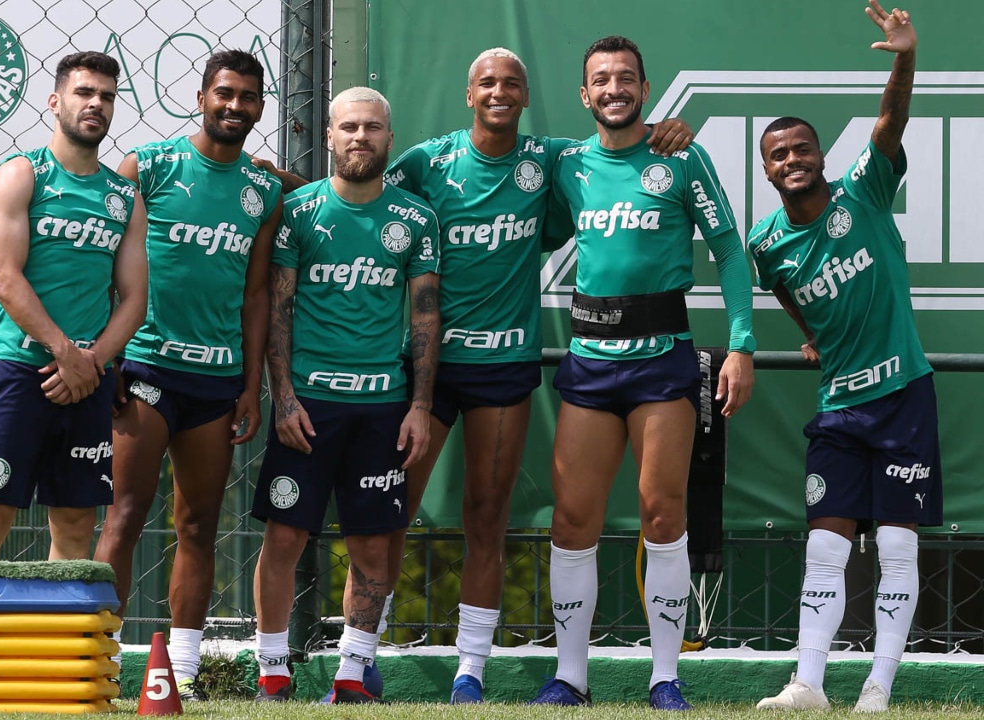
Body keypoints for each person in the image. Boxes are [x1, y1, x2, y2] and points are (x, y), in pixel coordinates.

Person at [256, 48, 693, 705]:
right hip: (423, 373)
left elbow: (615, 150)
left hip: (503, 366)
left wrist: (667, 131)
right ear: (469, 94)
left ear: (525, 97)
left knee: (486, 516)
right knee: (385, 519)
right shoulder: (429, 162)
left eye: (511, 84)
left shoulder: (549, 161)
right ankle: (359, 661)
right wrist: (287, 183)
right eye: (487, 82)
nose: (499, 92)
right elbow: (358, 193)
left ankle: (471, 672)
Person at [535, 36, 755, 710]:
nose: (613, 89)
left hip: (662, 363)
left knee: (663, 515)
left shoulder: (682, 155)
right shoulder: (565, 164)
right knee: (573, 521)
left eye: (625, 78)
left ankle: (665, 677)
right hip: (590, 366)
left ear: (644, 87)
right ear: (584, 94)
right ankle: (571, 677)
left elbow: (729, 249)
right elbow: (505, 174)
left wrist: (742, 344)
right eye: (600, 79)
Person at [751, 3, 934, 713]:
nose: (792, 159)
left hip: (903, 394)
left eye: (802, 149)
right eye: (779, 154)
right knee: (825, 545)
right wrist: (814, 332)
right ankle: (808, 685)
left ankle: (879, 688)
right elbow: (789, 294)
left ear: (820, 155)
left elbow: (890, 123)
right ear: (767, 170)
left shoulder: (863, 189)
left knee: (895, 542)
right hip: (840, 405)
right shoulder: (768, 244)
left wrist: (904, 57)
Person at [90, 49, 283, 699]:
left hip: (215, 381)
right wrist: (105, 354)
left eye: (248, 97)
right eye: (224, 94)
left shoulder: (265, 191)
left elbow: (257, 296)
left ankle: (186, 676)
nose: (234, 106)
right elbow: (103, 265)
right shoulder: (148, 166)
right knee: (124, 514)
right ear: (201, 98)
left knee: (198, 525)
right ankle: (98, 667)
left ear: (259, 107)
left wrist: (251, 384)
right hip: (144, 367)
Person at [249, 87, 440, 704]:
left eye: (374, 128)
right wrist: (283, 398)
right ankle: (272, 670)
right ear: (328, 136)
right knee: (284, 537)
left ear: (390, 137)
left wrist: (418, 406)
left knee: (373, 545)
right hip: (308, 406)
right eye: (349, 127)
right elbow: (278, 310)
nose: (361, 137)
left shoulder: (415, 218)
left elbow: (425, 321)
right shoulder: (298, 212)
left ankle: (353, 676)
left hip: (383, 406)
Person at [0, 51, 148, 562]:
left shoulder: (123, 196)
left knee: (75, 519)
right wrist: (64, 352)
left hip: (89, 377)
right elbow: (3, 279)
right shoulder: (22, 175)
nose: (96, 104)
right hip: (22, 369)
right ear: (55, 101)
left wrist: (94, 361)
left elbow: (135, 298)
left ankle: (56, 645)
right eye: (85, 93)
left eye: (106, 96)